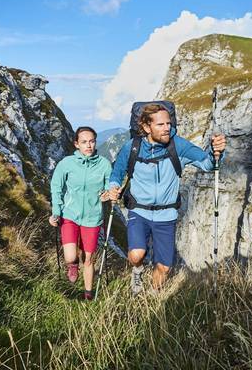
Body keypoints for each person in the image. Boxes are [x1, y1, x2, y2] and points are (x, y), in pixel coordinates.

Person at [109, 104, 226, 295]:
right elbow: (117, 172)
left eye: (168, 123)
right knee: (136, 254)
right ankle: (137, 270)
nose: (166, 128)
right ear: (146, 127)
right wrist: (113, 187)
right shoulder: (132, 147)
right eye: (161, 124)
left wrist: (216, 152)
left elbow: (207, 164)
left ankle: (153, 296)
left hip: (167, 215)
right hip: (139, 211)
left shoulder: (178, 145)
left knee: (164, 267)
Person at [49, 126, 112, 300]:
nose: (89, 145)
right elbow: (56, 187)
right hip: (69, 215)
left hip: (93, 218)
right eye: (84, 142)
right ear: (76, 144)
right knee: (70, 256)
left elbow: (110, 185)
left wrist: (107, 193)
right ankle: (72, 265)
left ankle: (88, 295)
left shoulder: (104, 164)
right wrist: (56, 211)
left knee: (89, 259)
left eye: (92, 141)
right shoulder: (67, 163)